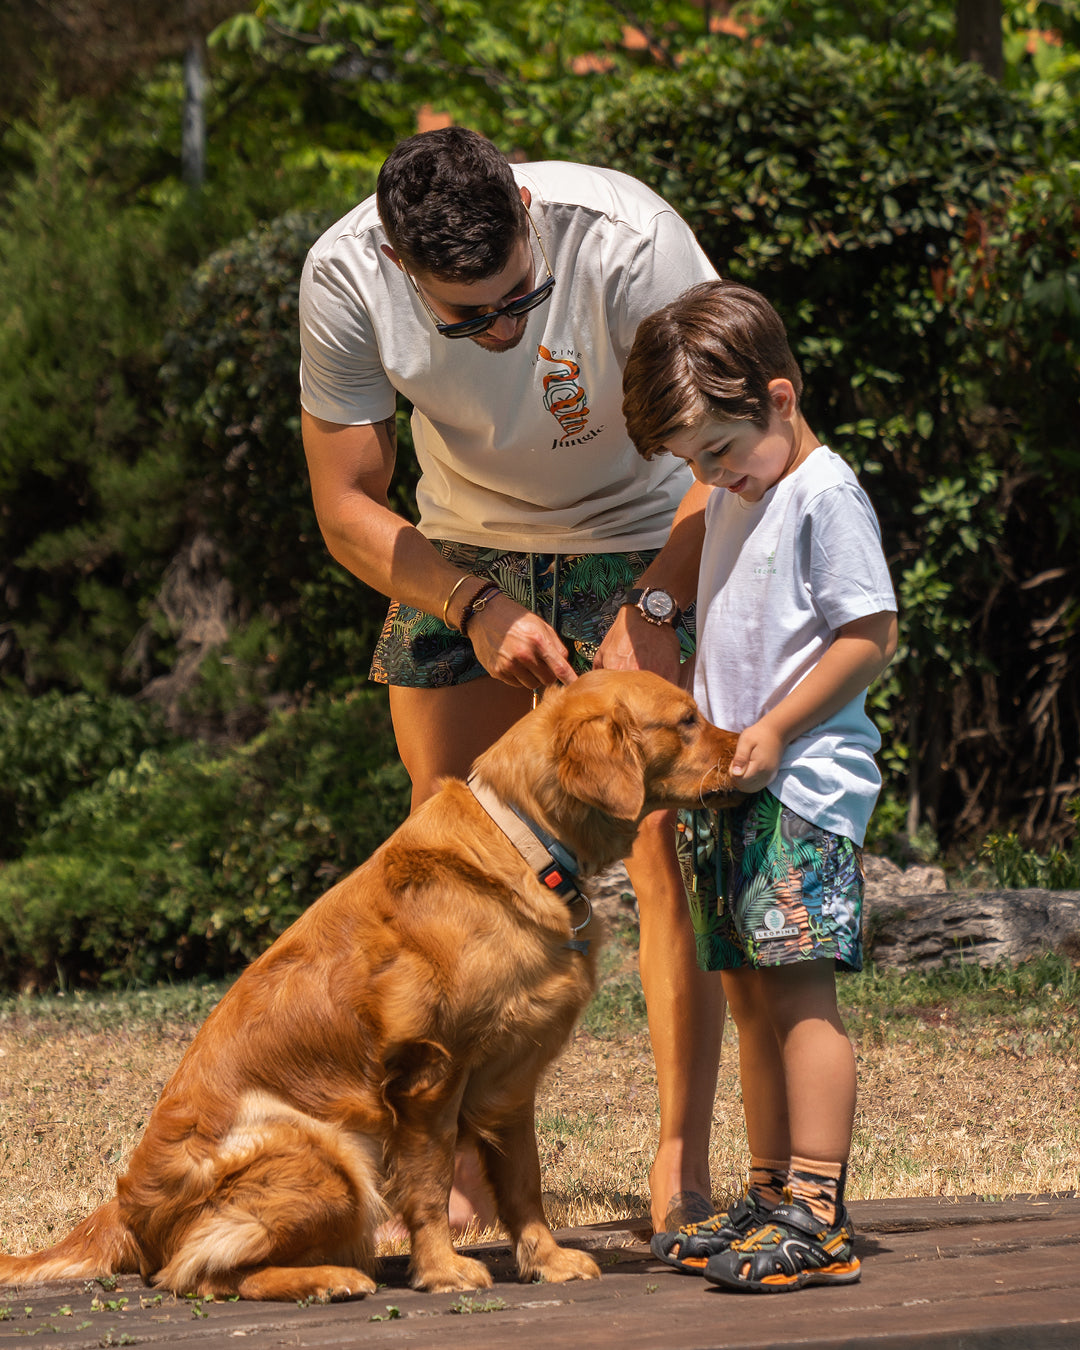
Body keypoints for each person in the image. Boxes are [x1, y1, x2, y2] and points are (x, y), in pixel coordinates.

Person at [299, 126, 726, 1232]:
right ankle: (451, 1175)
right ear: (402, 268)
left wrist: (660, 604)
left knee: (667, 853)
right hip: (462, 552)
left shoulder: (632, 243)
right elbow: (347, 504)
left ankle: (682, 1162)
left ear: (529, 221)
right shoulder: (345, 274)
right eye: (465, 318)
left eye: (516, 304)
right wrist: (473, 605)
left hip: (644, 533)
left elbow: (728, 455)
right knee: (443, 869)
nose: (497, 331)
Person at [622, 279, 897, 1291]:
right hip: (731, 790)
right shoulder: (754, 491)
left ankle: (818, 1209)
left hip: (802, 789)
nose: (712, 478)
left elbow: (871, 633)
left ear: (779, 398)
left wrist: (779, 726)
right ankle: (772, 1190)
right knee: (745, 990)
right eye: (695, 465)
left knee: (799, 994)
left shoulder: (824, 492)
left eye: (719, 454)